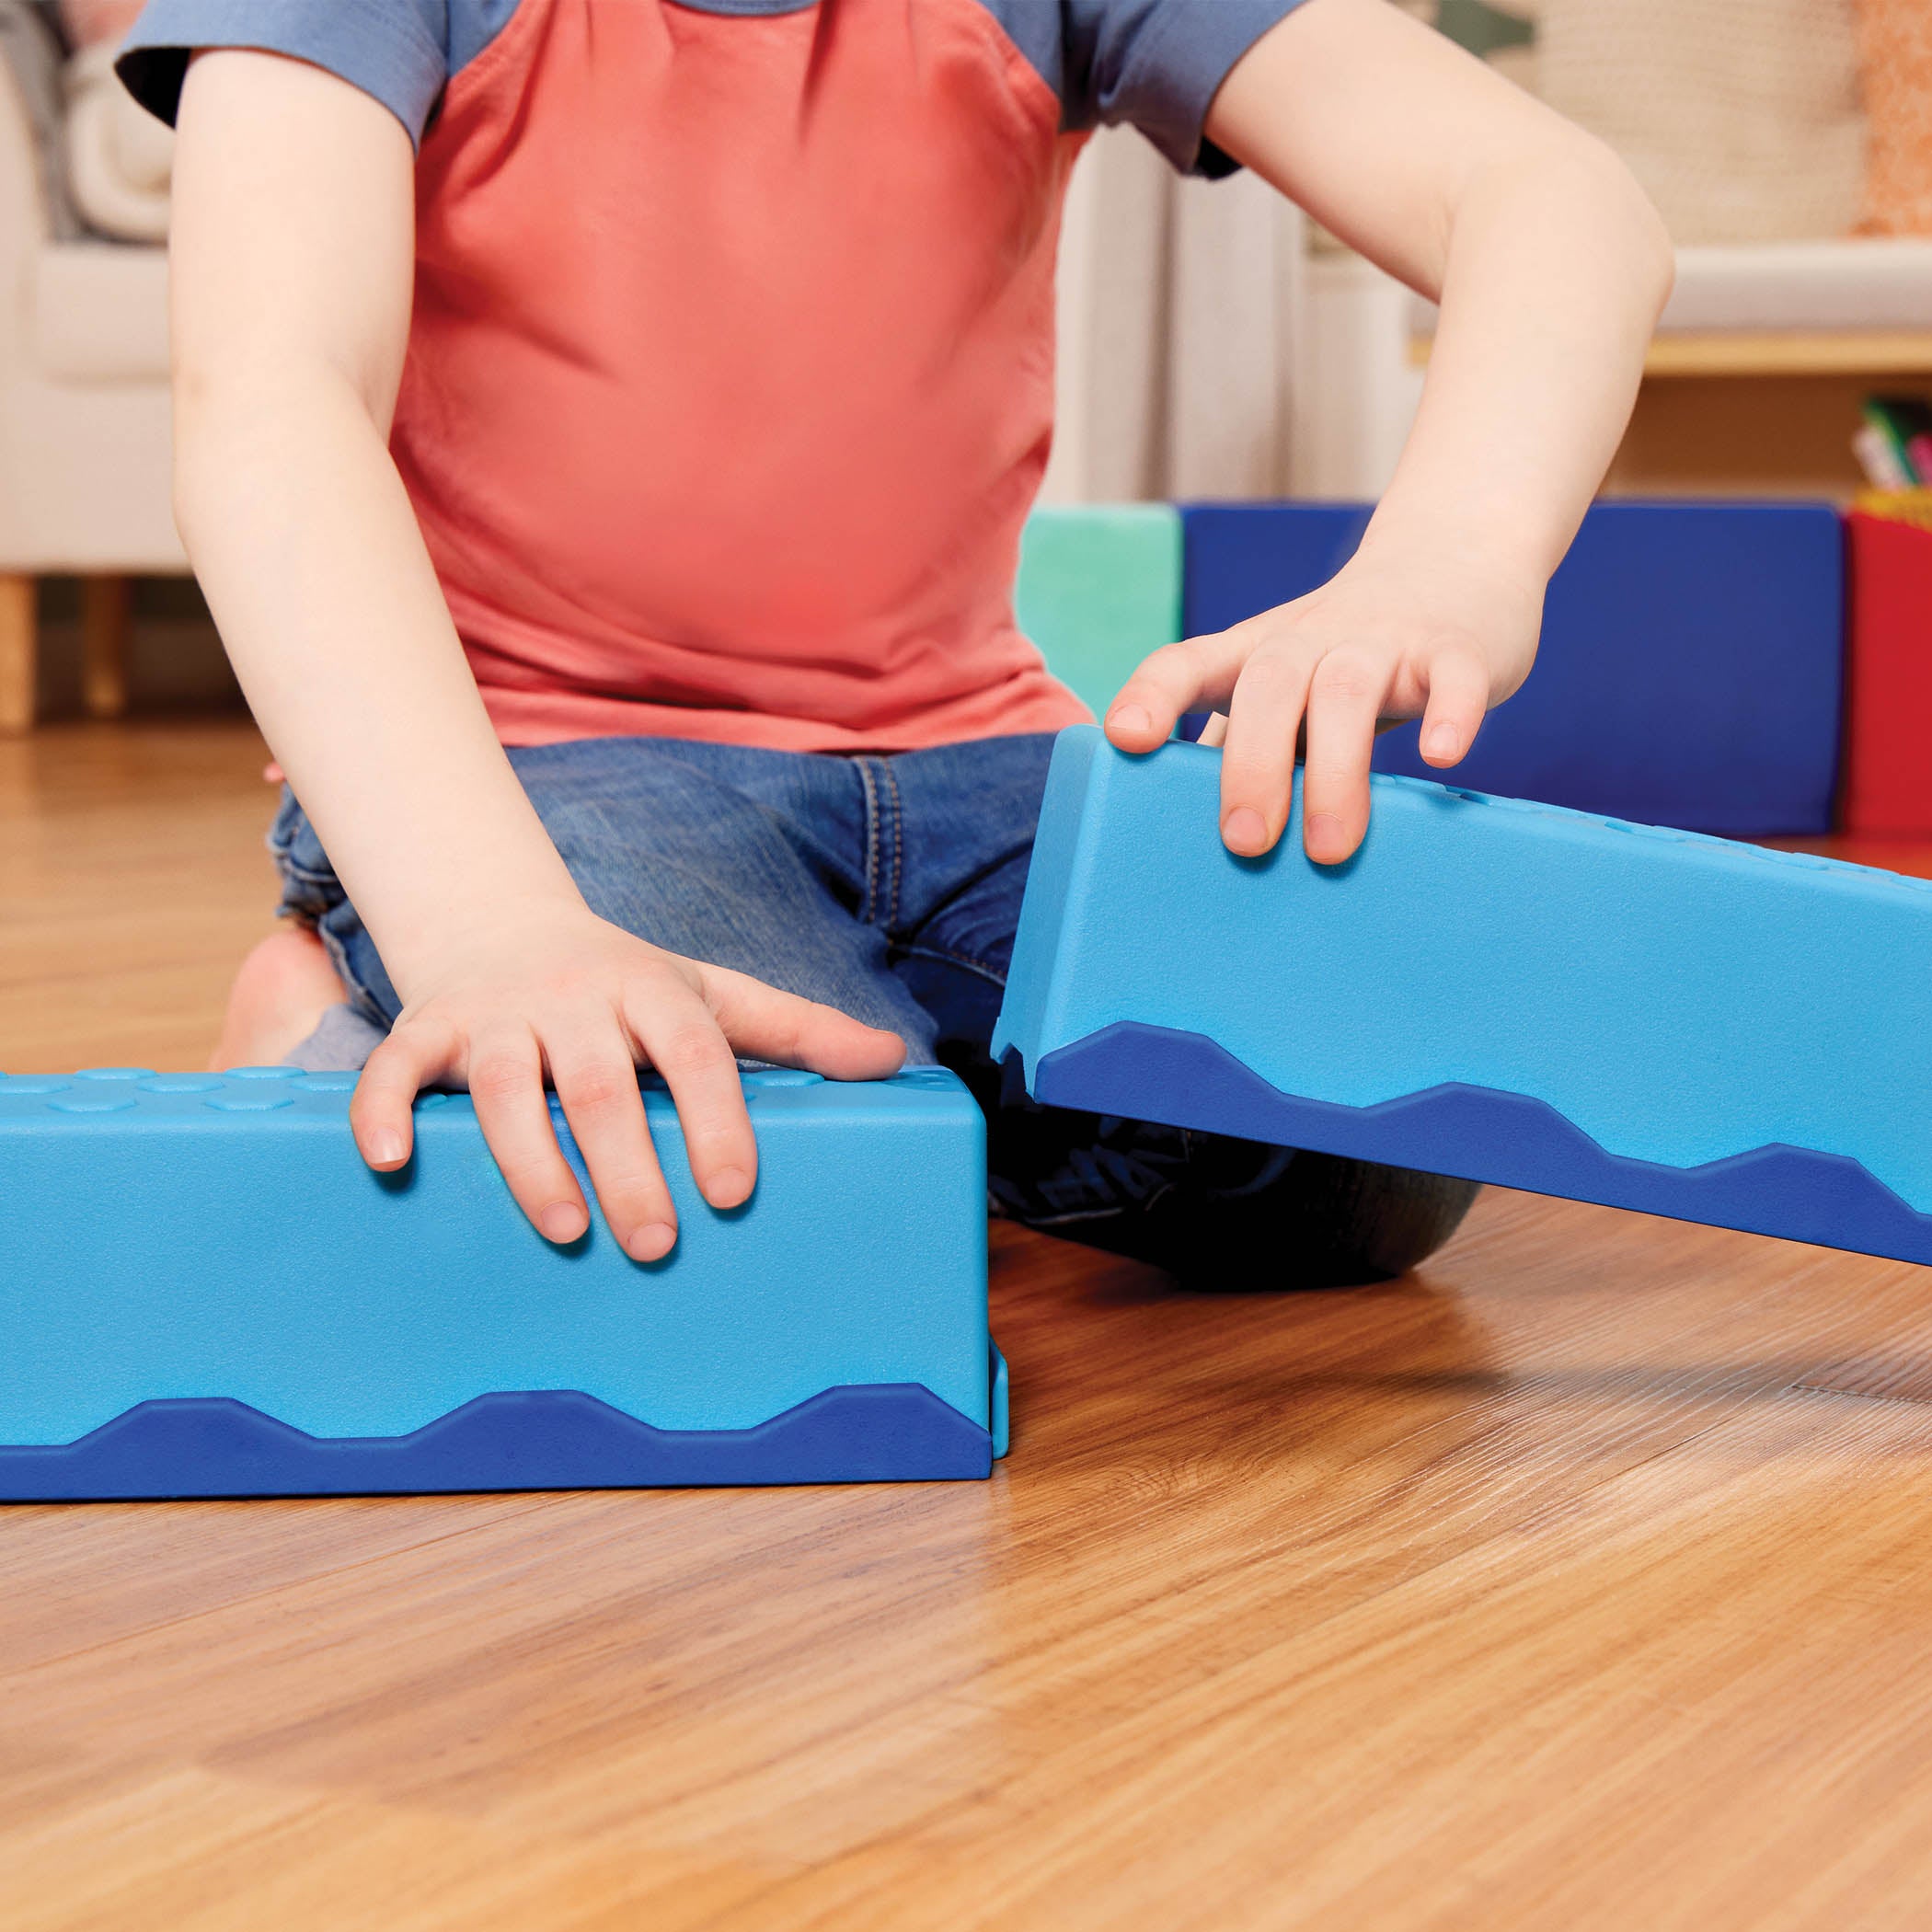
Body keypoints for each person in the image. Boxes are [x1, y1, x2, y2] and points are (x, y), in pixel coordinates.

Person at [116, 0, 1671, 1287]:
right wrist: (481, 923)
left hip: (975, 750)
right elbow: (269, 397)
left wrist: (1449, 562)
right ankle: (341, 1003)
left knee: (1372, 1163)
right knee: (752, 1211)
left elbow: (1546, 195)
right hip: (540, 770)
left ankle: (915, 1103)